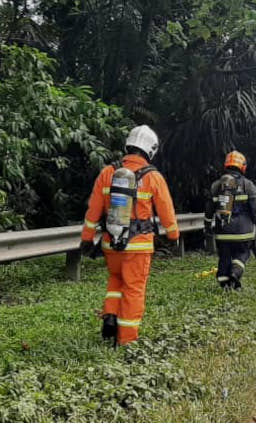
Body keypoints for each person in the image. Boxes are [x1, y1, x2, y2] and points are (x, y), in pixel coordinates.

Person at [79, 125, 179, 346]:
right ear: (150, 149)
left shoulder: (107, 173)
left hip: (110, 244)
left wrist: (86, 238)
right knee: (134, 289)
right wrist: (173, 236)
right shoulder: (153, 177)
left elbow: (93, 211)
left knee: (116, 279)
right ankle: (127, 341)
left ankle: (111, 317)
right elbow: (166, 212)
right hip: (138, 247)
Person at [204, 151, 256, 290]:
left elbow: (209, 209)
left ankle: (224, 283)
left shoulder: (216, 186)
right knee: (242, 254)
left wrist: (207, 226)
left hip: (222, 233)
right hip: (243, 232)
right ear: (242, 167)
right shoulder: (248, 185)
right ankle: (235, 272)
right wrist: (254, 220)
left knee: (224, 257)